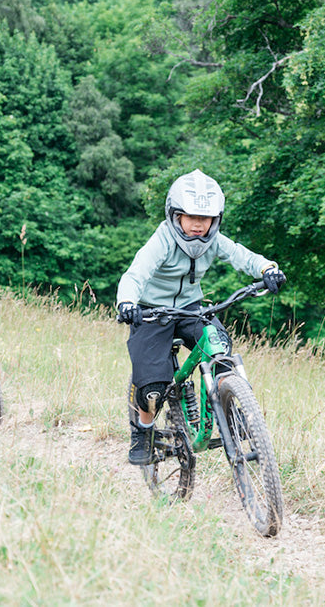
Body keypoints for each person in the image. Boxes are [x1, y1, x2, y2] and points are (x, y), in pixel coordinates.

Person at [115, 169, 286, 465]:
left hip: (191, 307)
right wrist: (127, 302)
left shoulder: (214, 240)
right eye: (190, 216)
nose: (197, 224)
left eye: (205, 218)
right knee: (152, 389)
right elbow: (136, 273)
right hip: (151, 312)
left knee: (219, 349)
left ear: (215, 220)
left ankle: (232, 413)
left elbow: (242, 256)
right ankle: (142, 432)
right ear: (174, 215)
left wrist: (266, 269)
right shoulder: (163, 240)